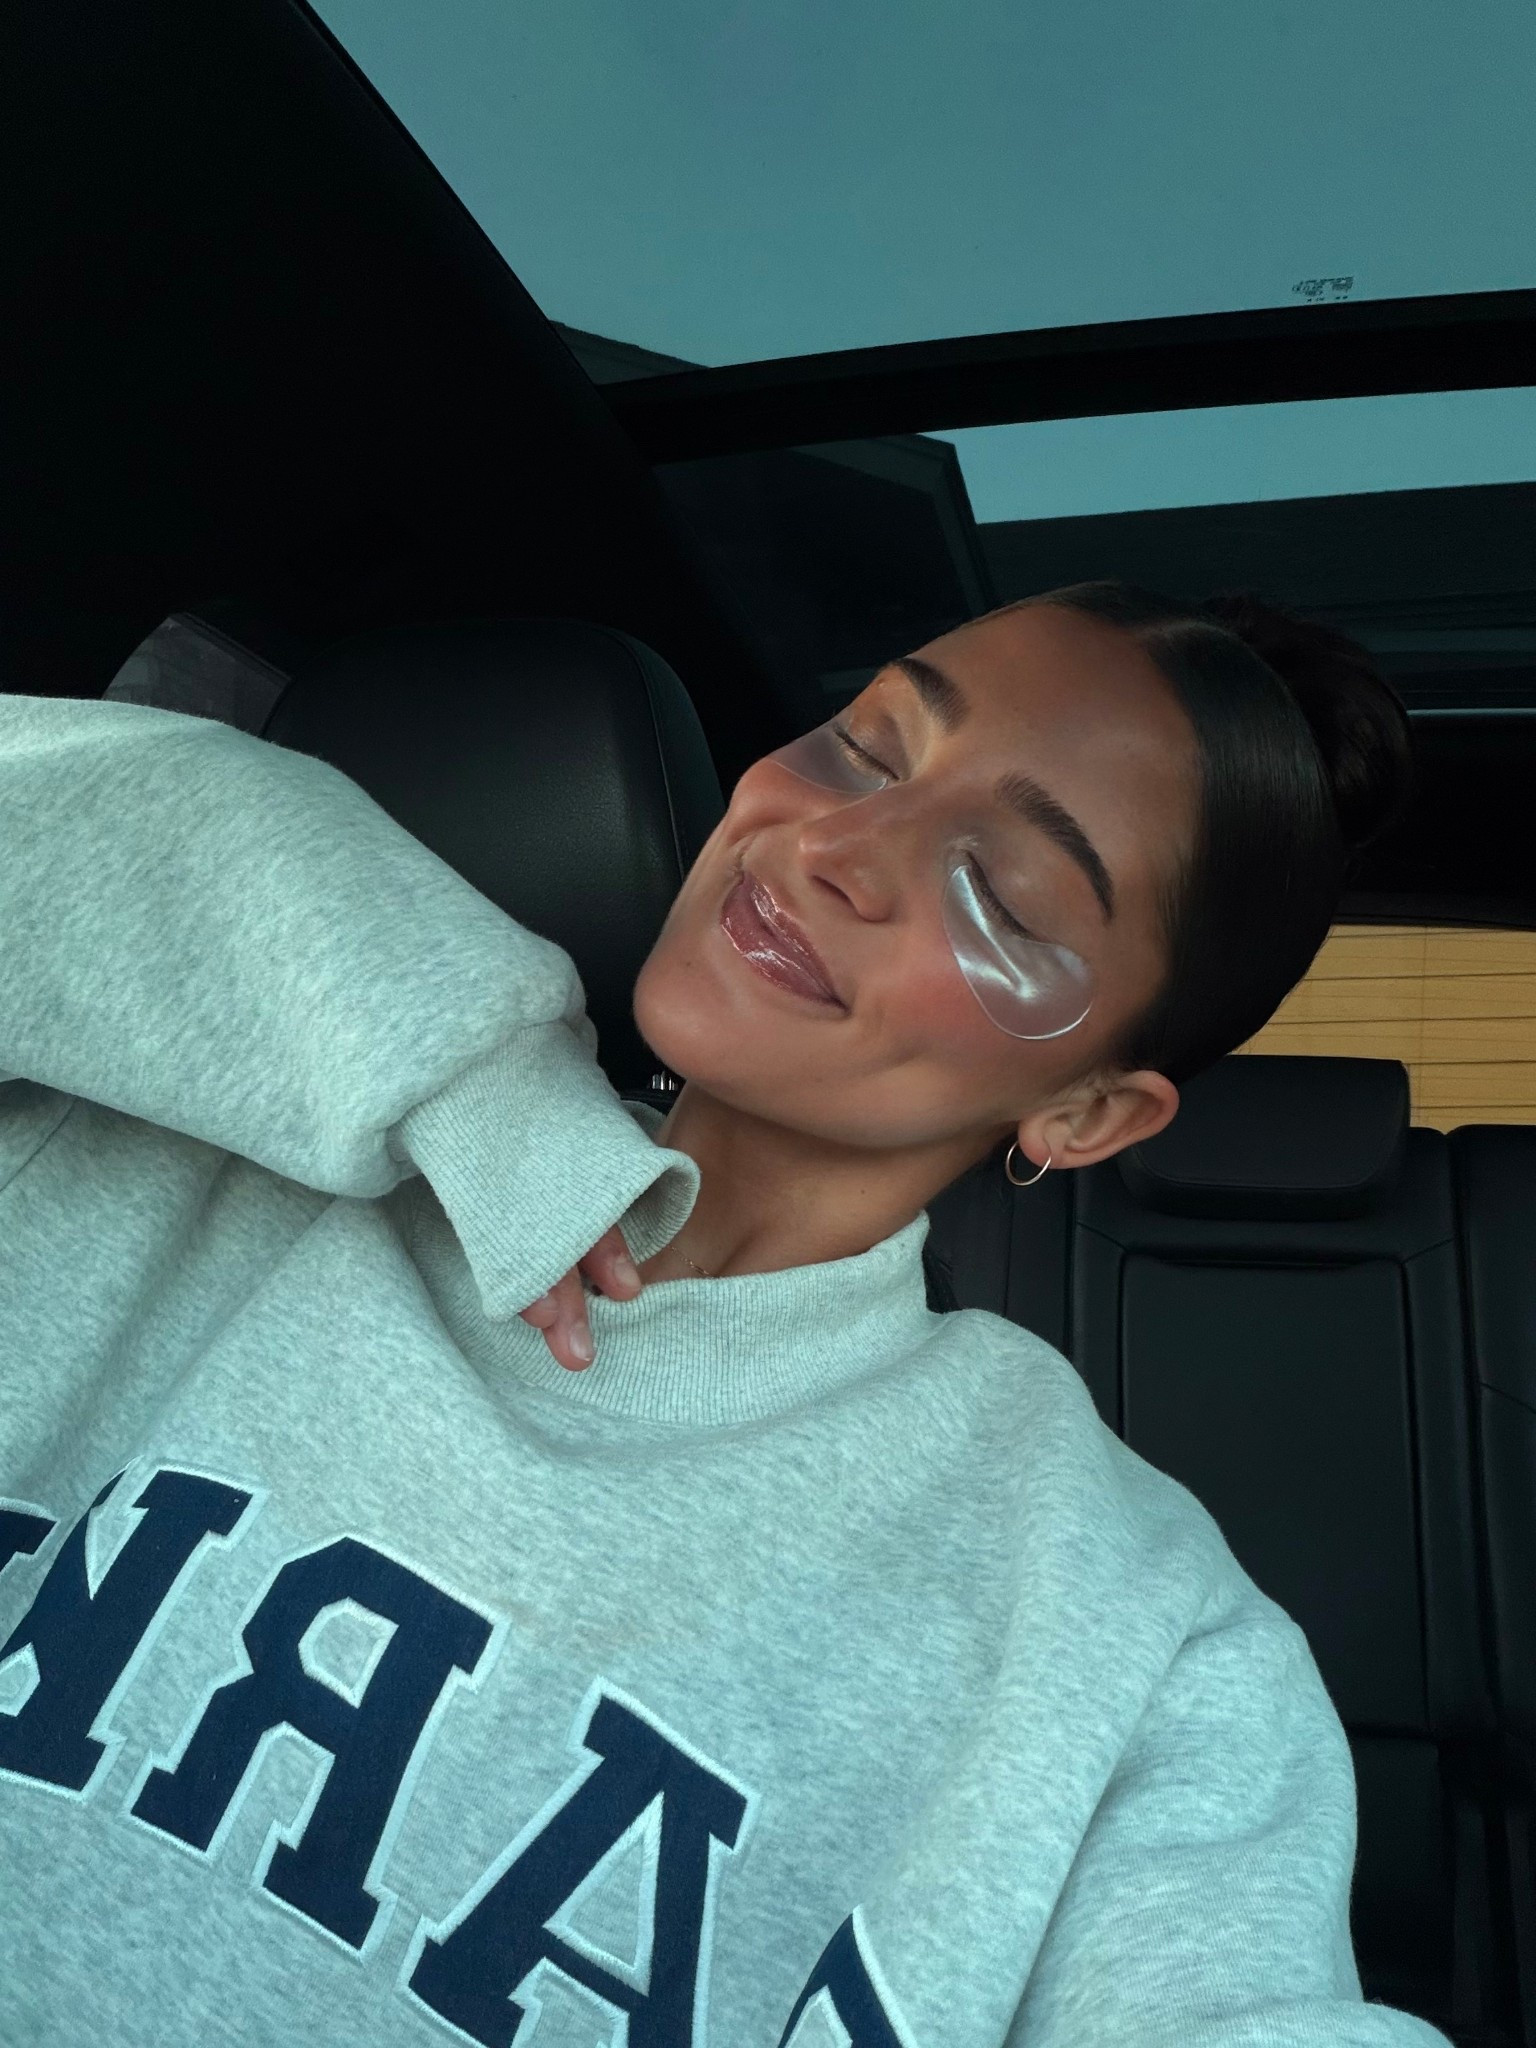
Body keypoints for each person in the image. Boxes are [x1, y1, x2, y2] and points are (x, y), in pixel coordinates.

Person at [0, 582, 1445, 2047]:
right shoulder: (174, 1122)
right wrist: (459, 1062)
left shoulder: (1134, 1631)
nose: (830, 846)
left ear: (1085, 1114)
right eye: (866, 747)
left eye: (1001, 896)